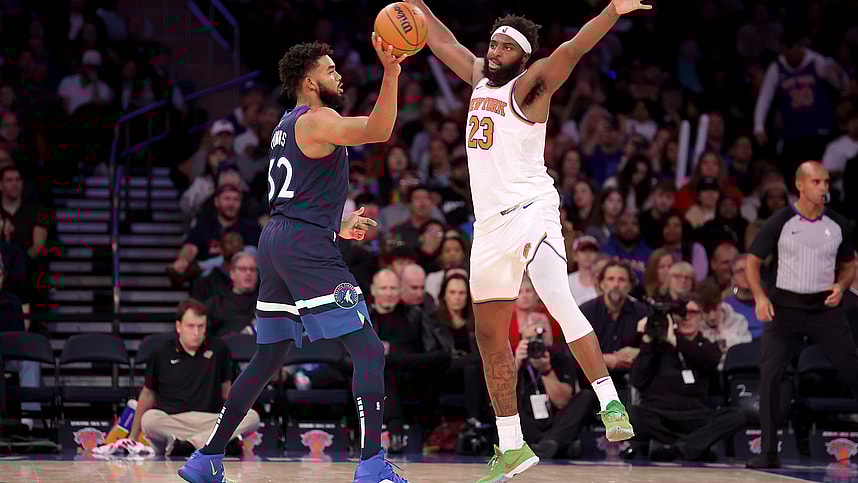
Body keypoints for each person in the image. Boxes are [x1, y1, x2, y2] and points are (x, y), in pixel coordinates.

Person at [406, 0, 651, 478]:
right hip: (489, 225)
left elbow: (573, 49)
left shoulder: (531, 86)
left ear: (522, 56)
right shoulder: (479, 76)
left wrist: (610, 12)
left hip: (531, 210)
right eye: (492, 43)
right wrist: (416, 6)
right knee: (489, 336)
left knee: (558, 298)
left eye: (504, 47)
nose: (494, 51)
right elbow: (440, 39)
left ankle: (610, 403)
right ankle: (513, 445)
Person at [178, 38, 408, 483]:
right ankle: (372, 463)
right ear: (309, 81)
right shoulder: (320, 119)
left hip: (278, 238)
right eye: (330, 69)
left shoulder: (286, 123)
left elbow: (298, 192)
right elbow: (379, 130)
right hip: (304, 244)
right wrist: (393, 72)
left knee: (268, 357)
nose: (338, 75)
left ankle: (206, 458)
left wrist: (336, 224)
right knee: (367, 350)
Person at [746, 161, 858, 469]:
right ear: (800, 185)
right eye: (817, 182)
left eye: (826, 182)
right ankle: (768, 451)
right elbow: (752, 261)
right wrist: (760, 297)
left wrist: (842, 284)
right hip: (784, 308)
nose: (824, 188)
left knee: (852, 368)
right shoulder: (780, 221)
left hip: (825, 308)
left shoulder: (838, 224)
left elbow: (849, 264)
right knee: (771, 374)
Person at [128, 300, 260, 455]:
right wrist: (133, 436)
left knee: (252, 417)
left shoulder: (219, 348)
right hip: (174, 420)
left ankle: (189, 444)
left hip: (210, 419)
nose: (196, 333)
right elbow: (147, 394)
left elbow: (227, 391)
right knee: (149, 419)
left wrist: (236, 413)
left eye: (201, 326)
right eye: (191, 326)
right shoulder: (160, 352)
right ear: (179, 326)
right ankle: (212, 442)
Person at [630, 295, 746, 461]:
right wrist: (648, 340)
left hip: (695, 416)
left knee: (736, 415)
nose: (686, 317)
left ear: (701, 317)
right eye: (682, 313)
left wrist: (676, 341)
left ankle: (677, 448)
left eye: (692, 313)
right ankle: (691, 446)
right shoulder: (655, 346)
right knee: (633, 414)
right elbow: (637, 380)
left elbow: (711, 360)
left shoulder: (707, 346)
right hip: (661, 415)